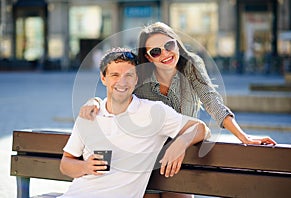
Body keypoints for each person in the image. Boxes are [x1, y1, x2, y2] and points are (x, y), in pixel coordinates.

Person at [79, 22, 277, 198]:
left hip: (182, 156)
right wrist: (95, 101)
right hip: (145, 156)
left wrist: (244, 137)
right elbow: (118, 93)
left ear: (176, 43)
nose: (165, 54)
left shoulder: (192, 65)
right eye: (156, 52)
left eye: (168, 45)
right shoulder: (142, 74)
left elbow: (211, 100)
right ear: (147, 57)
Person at [59, 48, 210, 198]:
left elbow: (201, 128)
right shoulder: (89, 114)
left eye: (128, 75)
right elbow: (66, 164)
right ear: (103, 78)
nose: (122, 82)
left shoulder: (153, 112)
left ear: (136, 79)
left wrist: (182, 142)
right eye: (115, 75)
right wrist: (85, 166)